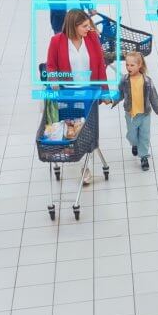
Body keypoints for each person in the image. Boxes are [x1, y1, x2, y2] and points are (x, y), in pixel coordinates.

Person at [45, 9, 108, 184]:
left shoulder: (92, 37)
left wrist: (104, 91)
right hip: (68, 94)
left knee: (87, 130)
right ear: (74, 26)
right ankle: (72, 156)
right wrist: (54, 80)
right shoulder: (57, 41)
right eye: (84, 26)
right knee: (72, 129)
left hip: (88, 93)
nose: (89, 28)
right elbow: (51, 66)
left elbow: (100, 65)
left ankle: (85, 167)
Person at [110, 52, 158, 171]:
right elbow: (120, 94)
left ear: (139, 65)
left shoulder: (147, 81)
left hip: (145, 114)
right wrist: (112, 100)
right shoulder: (124, 80)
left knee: (145, 136)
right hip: (130, 114)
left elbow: (154, 97)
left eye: (132, 65)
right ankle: (134, 144)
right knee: (132, 135)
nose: (129, 67)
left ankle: (143, 157)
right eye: (127, 65)